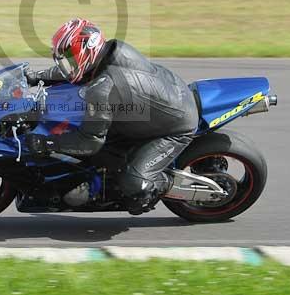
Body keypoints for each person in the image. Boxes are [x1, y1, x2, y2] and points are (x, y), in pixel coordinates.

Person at [24, 18, 199, 214]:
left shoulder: (102, 89)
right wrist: (38, 76)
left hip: (176, 125)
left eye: (70, 58)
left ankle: (159, 184)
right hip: (165, 96)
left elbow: (90, 143)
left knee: (133, 185)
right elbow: (77, 70)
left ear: (86, 51)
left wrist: (47, 143)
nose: (67, 65)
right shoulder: (110, 50)